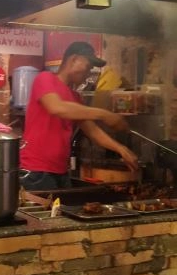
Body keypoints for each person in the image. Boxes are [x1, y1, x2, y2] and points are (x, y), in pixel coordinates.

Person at [20, 41, 139, 191]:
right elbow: (57, 107)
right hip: (37, 172)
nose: (88, 73)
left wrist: (121, 149)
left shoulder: (75, 97)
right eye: (88, 67)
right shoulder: (45, 78)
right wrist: (104, 114)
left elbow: (93, 131)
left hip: (61, 172)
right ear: (73, 59)